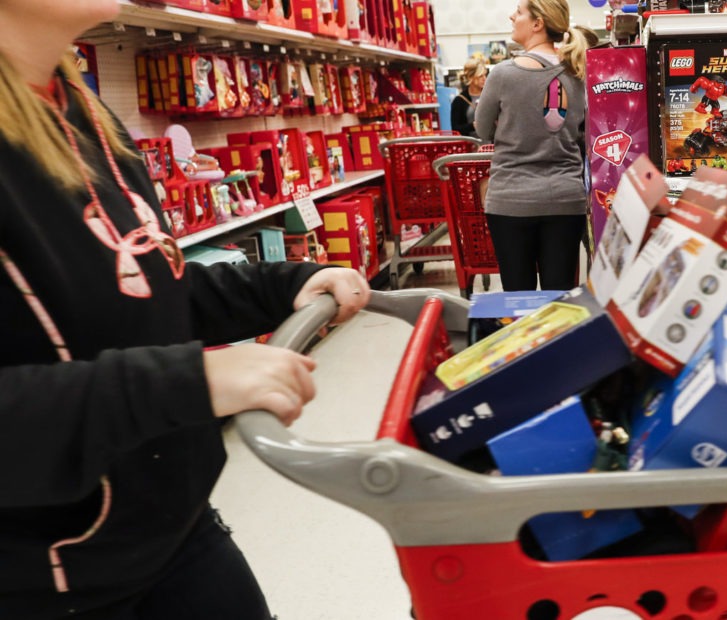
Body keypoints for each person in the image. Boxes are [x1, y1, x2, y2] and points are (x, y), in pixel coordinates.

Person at [0, 2, 370, 618]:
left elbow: (144, 288)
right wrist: (186, 381)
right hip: (47, 584)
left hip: (174, 532)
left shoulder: (82, 113)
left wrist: (281, 285)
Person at [475, 0, 591, 291]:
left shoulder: (502, 75)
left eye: (519, 11)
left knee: (518, 300)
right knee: (559, 299)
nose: (511, 16)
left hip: (511, 200)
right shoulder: (578, 73)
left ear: (538, 23)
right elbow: (584, 134)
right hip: (566, 200)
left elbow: (483, 130)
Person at [449, 57, 486, 138]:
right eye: (480, 76)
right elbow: (455, 129)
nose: (484, 79)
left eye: (485, 75)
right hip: (470, 146)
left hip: (490, 146)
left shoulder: (489, 96)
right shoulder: (459, 100)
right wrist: (472, 126)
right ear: (471, 77)